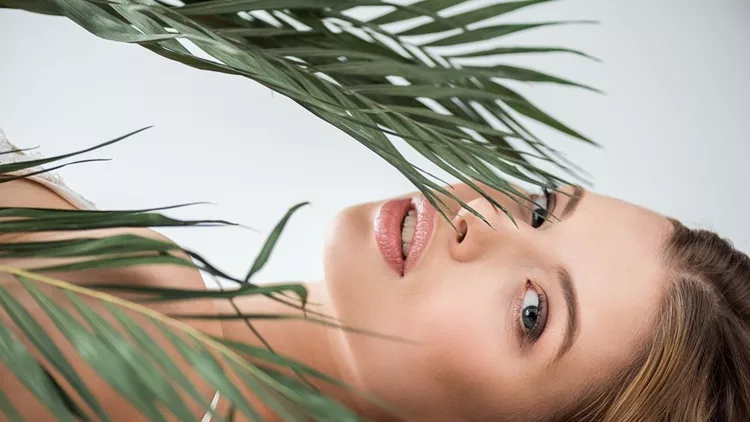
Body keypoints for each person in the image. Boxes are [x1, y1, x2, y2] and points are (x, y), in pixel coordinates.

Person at [1, 131, 748, 421]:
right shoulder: (132, 264)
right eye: (542, 206)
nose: (480, 220)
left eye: (531, 311)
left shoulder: (99, 359)